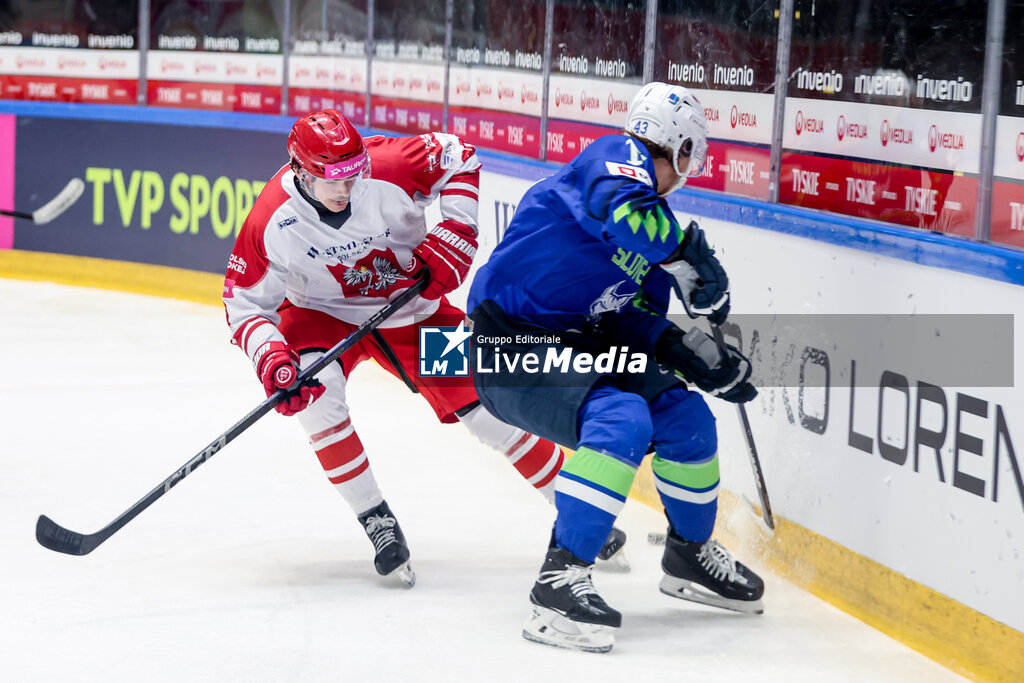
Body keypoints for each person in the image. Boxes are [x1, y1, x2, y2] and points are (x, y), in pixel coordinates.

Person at [222, 109, 625, 587]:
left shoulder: (389, 164)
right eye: (332, 179)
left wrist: (458, 230)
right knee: (316, 396)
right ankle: (375, 517)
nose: (346, 188)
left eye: (353, 174)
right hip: (320, 315)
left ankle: (576, 507)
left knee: (488, 409)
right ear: (301, 172)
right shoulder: (272, 217)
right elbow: (244, 305)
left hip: (411, 308)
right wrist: (271, 358)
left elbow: (459, 156)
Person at [467, 82, 763, 652]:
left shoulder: (654, 235)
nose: (689, 171)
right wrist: (688, 257)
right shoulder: (612, 159)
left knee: (685, 418)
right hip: (507, 345)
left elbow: (628, 318)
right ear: (680, 149)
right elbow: (620, 209)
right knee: (621, 418)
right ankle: (558, 584)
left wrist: (687, 352)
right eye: (691, 157)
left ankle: (689, 554)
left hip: (581, 347)